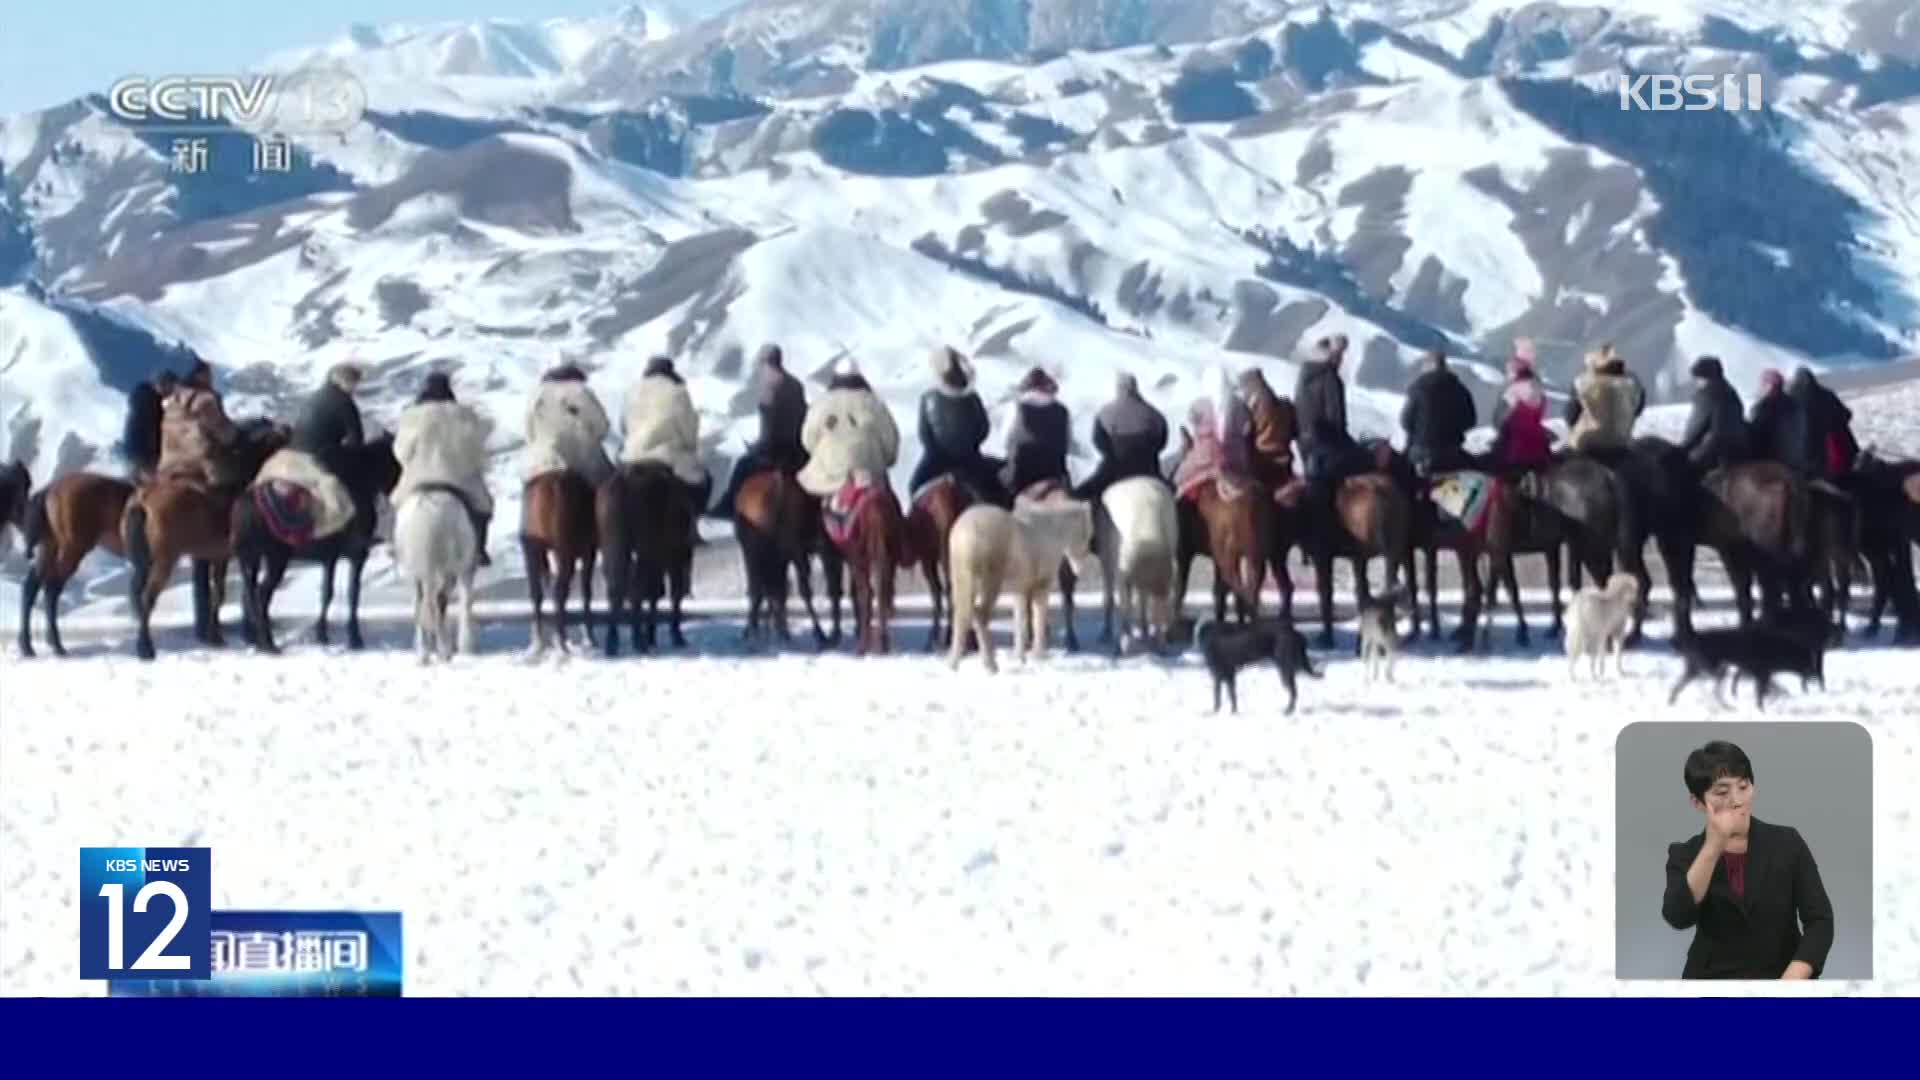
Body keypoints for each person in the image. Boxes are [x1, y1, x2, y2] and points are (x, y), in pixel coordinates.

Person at [1660, 740, 1834, 980]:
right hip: (1711, 981)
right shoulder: (1686, 854)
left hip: (1783, 976)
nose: (1737, 800)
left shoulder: (1787, 842)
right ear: (1698, 803)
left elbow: (1820, 920)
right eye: (1722, 792)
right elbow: (1677, 916)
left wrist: (1794, 977)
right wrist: (1713, 847)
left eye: (1743, 786)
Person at [393, 372, 495, 567]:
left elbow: (401, 452)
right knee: (484, 507)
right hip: (458, 479)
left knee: (398, 506)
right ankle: (478, 550)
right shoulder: (464, 415)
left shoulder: (411, 416)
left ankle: (397, 547)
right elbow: (476, 451)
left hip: (418, 478)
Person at [711, 343, 809, 517]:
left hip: (774, 449)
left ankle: (726, 507)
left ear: (765, 362)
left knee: (742, 465)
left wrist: (758, 446)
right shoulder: (795, 384)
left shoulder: (769, 386)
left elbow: (770, 426)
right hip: (797, 447)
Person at [621, 355, 710, 545]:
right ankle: (692, 526)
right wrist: (689, 445)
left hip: (632, 456)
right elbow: (687, 427)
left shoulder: (632, 391)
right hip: (667, 455)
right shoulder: (677, 391)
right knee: (703, 482)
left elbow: (623, 425)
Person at [909, 345, 1010, 507]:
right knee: (999, 489)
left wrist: (937, 450)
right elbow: (983, 429)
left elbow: (925, 435)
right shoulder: (972, 397)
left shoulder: (927, 398)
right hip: (970, 458)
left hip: (936, 459)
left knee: (914, 487)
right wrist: (971, 445)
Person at [796, 357, 900, 499]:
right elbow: (890, 442)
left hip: (828, 477)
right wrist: (885, 461)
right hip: (869, 475)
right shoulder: (873, 404)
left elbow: (808, 440)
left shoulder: (821, 404)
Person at [1073, 371, 1170, 502]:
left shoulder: (1104, 413)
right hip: (1149, 468)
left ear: (1118, 388)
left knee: (1081, 495)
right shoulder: (1154, 413)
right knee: (1173, 494)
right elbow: (1162, 442)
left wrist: (1113, 453)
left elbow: (1098, 442)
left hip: (1114, 469)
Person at [523, 362, 615, 489]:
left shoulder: (534, 395)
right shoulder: (581, 390)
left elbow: (529, 436)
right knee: (612, 484)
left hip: (543, 463)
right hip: (582, 462)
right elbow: (602, 427)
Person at [156, 359, 243, 490]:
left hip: (167, 471)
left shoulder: (171, 404)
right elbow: (227, 436)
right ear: (199, 375)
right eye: (207, 372)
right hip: (203, 471)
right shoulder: (203, 400)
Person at [1398, 348, 1476, 478]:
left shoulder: (1418, 389)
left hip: (1420, 452)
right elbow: (1470, 421)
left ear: (1427, 366)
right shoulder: (1460, 389)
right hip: (1452, 453)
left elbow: (1405, 422)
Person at [1000, 366, 1074, 497]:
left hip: (1019, 474)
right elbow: (1067, 445)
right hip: (1054, 473)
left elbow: (1005, 441)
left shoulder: (1016, 408)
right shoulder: (1063, 411)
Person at [1565, 342, 1645, 459]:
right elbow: (1638, 408)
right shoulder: (1632, 382)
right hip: (1622, 442)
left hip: (1587, 444)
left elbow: (1570, 416)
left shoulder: (1581, 382)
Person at [1678, 355, 1750, 478]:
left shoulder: (1707, 395)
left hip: (1713, 452)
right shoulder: (1732, 393)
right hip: (1738, 451)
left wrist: (1680, 451)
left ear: (1705, 377)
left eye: (1698, 378)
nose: (1697, 382)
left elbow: (1696, 430)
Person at [1787, 367, 1858, 482]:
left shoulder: (1790, 399)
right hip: (1832, 451)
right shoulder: (1826, 394)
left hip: (1802, 457)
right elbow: (1845, 415)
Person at [1487, 354, 1553, 473]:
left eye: (1509, 371)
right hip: (1537, 443)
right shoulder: (1537, 388)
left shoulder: (1512, 392)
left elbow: (1498, 420)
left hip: (1513, 448)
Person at [1239, 365, 1298, 494]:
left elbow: (1246, 436)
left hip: (1263, 462)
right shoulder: (1283, 405)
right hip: (1285, 461)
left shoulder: (1253, 408)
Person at [289, 362, 367, 457]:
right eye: (354, 383)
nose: (355, 388)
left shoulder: (315, 396)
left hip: (296, 452)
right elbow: (356, 439)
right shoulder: (344, 402)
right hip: (319, 459)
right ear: (345, 381)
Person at [1746, 369, 1809, 475]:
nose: (1760, 388)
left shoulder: (1763, 407)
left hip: (1773, 464)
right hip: (1797, 461)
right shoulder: (1796, 405)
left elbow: (1755, 437)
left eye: (1763, 384)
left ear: (1769, 386)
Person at [123, 369, 178, 481]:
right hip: (145, 453)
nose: (171, 392)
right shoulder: (152, 403)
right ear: (163, 384)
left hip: (134, 452)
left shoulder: (143, 400)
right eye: (171, 387)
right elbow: (154, 431)